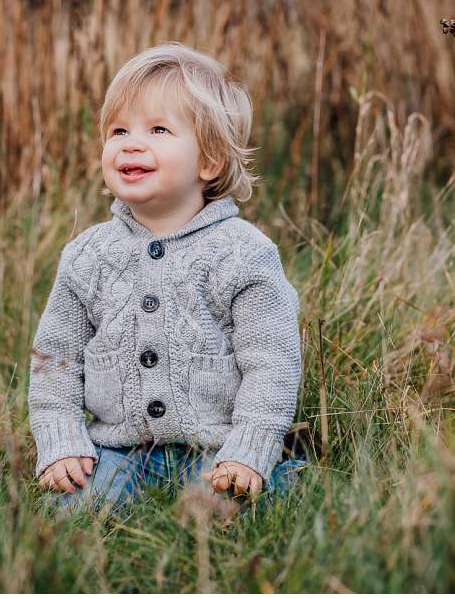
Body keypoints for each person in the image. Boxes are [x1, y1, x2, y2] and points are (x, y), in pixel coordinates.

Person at [27, 42, 306, 516]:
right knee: (73, 515)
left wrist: (248, 448)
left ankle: (273, 469)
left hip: (219, 448)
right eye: (119, 130)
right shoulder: (87, 256)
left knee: (232, 510)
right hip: (114, 448)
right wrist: (62, 441)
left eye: (158, 129)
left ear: (209, 161)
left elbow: (272, 365)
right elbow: (55, 360)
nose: (131, 143)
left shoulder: (244, 254)